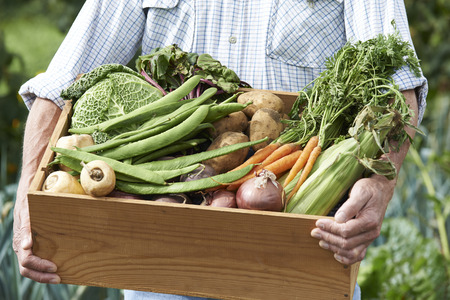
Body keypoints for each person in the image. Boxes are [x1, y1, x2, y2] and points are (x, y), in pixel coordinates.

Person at [14, 0, 427, 299]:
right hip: (157, 263)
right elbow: (57, 90)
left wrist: (379, 182)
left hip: (300, 263)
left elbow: (398, 88)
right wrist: (25, 207)